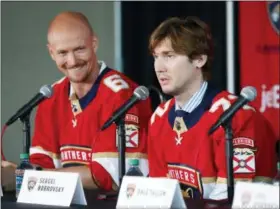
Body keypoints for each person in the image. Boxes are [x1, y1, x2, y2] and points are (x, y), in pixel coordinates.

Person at [1, 11, 152, 191]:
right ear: (51, 53)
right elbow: (42, 162)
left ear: (94, 44)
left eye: (79, 49)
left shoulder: (124, 95)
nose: (72, 61)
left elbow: (108, 176)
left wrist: (31, 176)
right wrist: (14, 174)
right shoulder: (51, 96)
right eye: (62, 52)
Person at [147, 16, 277, 200]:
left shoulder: (236, 116)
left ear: (199, 60)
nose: (159, 67)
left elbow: (229, 199)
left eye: (169, 56)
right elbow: (157, 195)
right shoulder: (158, 118)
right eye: (156, 57)